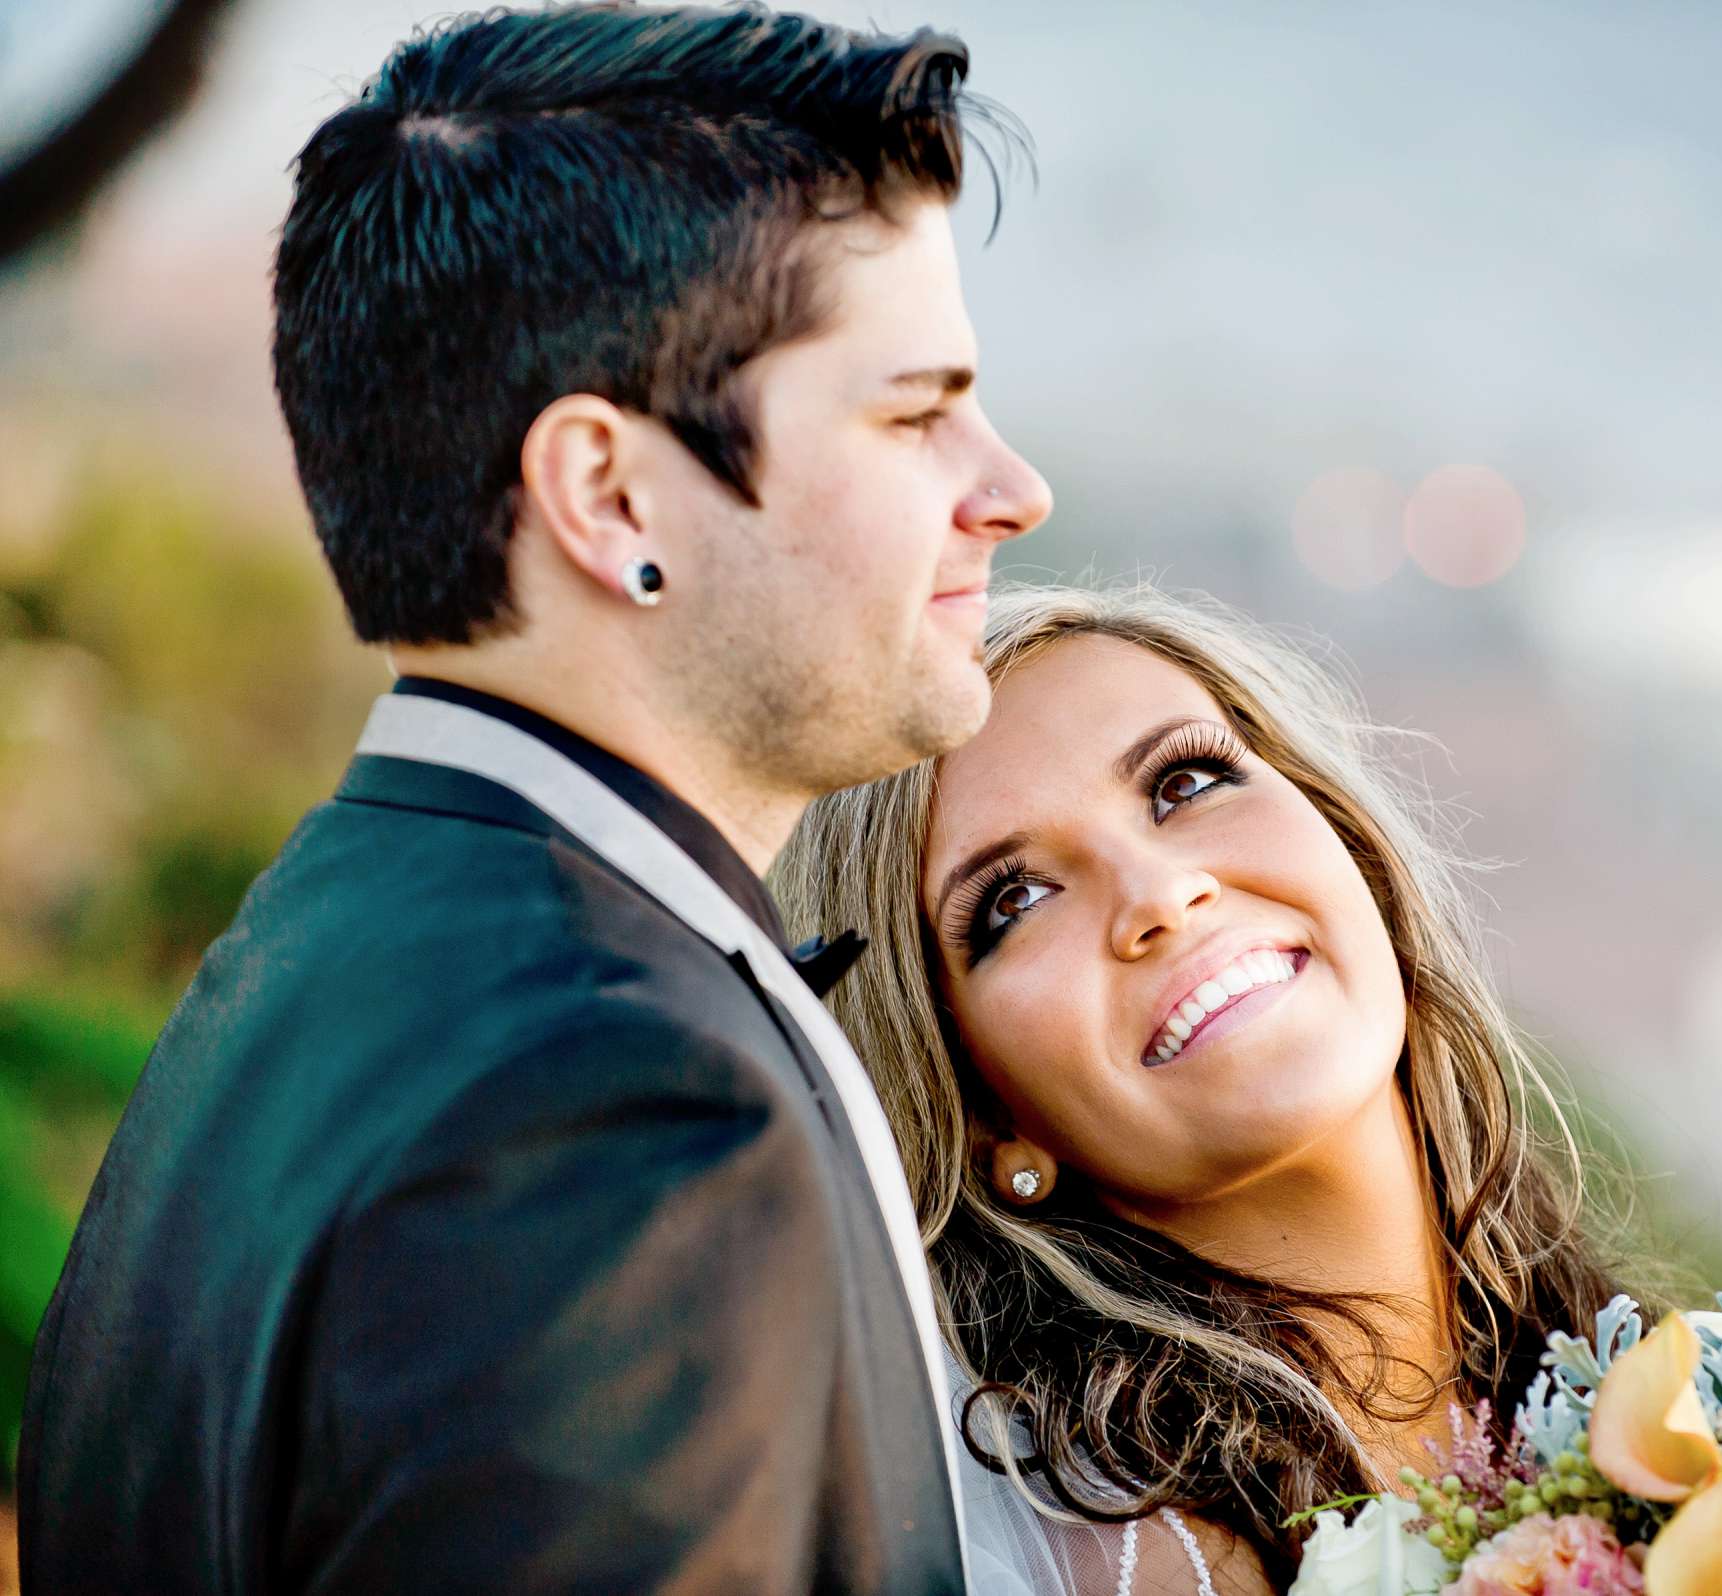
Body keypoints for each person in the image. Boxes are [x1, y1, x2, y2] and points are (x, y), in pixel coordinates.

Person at [14, 6, 1049, 1592]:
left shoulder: (315, 953)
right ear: (608, 492)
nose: (1011, 487)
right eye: (915, 412)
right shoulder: (627, 1114)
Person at [774, 584, 1675, 1592]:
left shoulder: (1661, 1400)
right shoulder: (1152, 1569)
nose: (1159, 893)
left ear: (1350, 848)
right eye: (1016, 900)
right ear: (984, 1115)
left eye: (1184, 783)